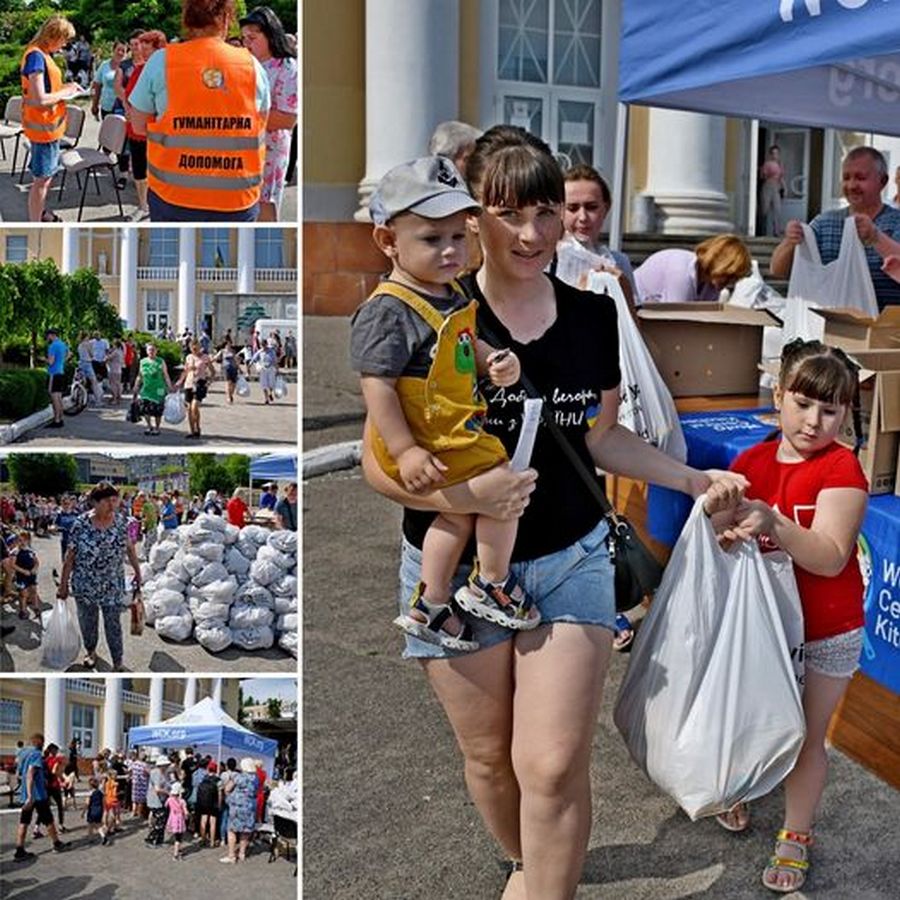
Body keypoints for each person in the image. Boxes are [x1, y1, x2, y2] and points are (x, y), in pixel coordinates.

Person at [360, 125, 744, 899]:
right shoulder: (431, 312)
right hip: (457, 568)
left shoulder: (592, 316)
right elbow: (379, 464)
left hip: (570, 557)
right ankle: (529, 864)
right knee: (490, 759)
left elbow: (601, 436)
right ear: (474, 217)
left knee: (553, 762)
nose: (533, 234)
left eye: (546, 212)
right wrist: (468, 497)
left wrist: (693, 477)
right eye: (509, 214)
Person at [351, 155, 539, 648]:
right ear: (388, 241)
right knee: (506, 490)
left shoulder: (449, 293)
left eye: (459, 236)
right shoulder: (388, 310)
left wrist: (493, 361)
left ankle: (432, 602)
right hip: (424, 438)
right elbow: (378, 387)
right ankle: (490, 582)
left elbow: (461, 344)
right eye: (432, 239)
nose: (451, 250)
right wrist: (406, 450)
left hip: (450, 429)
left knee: (459, 514)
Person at [703, 339, 868, 894]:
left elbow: (829, 555)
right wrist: (723, 534)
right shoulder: (748, 463)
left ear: (846, 413)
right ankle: (743, 784)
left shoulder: (843, 467)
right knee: (751, 715)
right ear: (778, 397)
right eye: (802, 404)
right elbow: (721, 548)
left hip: (828, 628)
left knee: (805, 736)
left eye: (830, 409)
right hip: (761, 627)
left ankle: (796, 834)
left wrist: (772, 523)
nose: (813, 421)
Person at [127, 0, 271, 222]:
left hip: (173, 198)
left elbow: (138, 124)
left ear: (186, 20)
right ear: (225, 19)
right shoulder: (253, 67)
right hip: (237, 199)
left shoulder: (161, 61)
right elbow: (260, 124)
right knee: (237, 256)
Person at [771, 146, 900, 309]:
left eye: (860, 178)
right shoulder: (824, 223)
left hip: (887, 329)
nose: (852, 185)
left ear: (883, 181)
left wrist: (876, 237)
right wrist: (790, 241)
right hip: (836, 328)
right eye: (846, 178)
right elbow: (778, 270)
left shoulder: (896, 222)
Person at [56, 482, 142, 671]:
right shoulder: (80, 524)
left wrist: (138, 570)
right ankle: (91, 651)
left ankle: (118, 660)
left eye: (114, 500)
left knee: (114, 625)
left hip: (112, 585)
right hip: (85, 585)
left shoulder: (121, 522)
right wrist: (63, 585)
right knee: (88, 622)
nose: (112, 505)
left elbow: (129, 548)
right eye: (106, 501)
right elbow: (70, 557)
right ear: (94, 502)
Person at [240, 6, 298, 221]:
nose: (247, 43)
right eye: (244, 38)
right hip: (243, 148)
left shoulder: (287, 67)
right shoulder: (246, 64)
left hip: (270, 149)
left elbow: (288, 118)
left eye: (252, 38)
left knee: (265, 205)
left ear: (270, 34)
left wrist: (243, 115)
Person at [20, 15, 79, 223]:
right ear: (53, 36)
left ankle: (41, 213)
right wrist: (66, 93)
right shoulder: (37, 57)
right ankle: (36, 223)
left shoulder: (40, 54)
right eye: (63, 40)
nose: (64, 45)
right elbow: (40, 98)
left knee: (43, 178)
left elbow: (45, 91)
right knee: (42, 182)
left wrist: (67, 88)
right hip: (44, 130)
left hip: (46, 129)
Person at [561, 163, 637, 305]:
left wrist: (623, 290)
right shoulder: (547, 261)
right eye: (572, 208)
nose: (583, 217)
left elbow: (632, 323)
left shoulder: (619, 262)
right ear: (560, 211)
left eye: (591, 207)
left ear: (606, 208)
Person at [633, 234, 752, 304]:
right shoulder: (681, 271)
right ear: (720, 263)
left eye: (735, 278)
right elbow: (675, 320)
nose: (730, 283)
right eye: (729, 275)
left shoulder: (711, 286)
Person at [13, 733, 69, 861]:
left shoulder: (23, 753)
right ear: (40, 743)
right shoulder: (36, 754)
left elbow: (19, 772)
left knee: (24, 822)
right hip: (37, 795)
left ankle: (19, 850)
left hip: (26, 795)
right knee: (48, 820)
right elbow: (30, 773)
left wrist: (24, 791)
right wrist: (31, 795)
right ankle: (56, 844)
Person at [175, 339, 215, 439]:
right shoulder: (188, 357)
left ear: (199, 347)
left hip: (200, 383)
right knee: (189, 409)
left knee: (194, 407)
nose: (194, 350)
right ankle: (192, 431)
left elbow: (213, 371)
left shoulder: (205, 357)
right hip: (189, 384)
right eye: (192, 348)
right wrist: (180, 381)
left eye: (196, 348)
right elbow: (185, 371)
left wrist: (209, 382)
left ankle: (197, 427)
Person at [220, 758, 258, 864]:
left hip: (237, 806)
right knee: (245, 830)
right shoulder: (255, 779)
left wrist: (230, 797)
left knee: (231, 829)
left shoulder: (238, 777)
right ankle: (242, 853)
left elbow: (227, 788)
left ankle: (231, 855)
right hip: (250, 806)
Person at [133, 343, 175, 436]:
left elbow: (165, 375)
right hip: (146, 389)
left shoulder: (160, 361)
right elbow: (139, 375)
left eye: (153, 350)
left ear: (156, 351)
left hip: (159, 389)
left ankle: (157, 428)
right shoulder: (143, 362)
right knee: (145, 409)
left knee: (157, 410)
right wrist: (136, 386)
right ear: (147, 351)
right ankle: (149, 426)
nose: (151, 352)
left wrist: (170, 387)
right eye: (149, 350)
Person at [759, 145, 787, 237]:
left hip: (776, 187)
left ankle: (776, 231)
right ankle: (760, 229)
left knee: (777, 209)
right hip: (768, 186)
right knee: (765, 209)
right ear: (770, 154)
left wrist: (785, 188)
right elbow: (762, 176)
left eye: (777, 153)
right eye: (773, 153)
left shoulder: (780, 164)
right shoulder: (767, 164)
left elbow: (781, 178)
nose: (775, 155)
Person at [12, 531, 40, 622]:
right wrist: (23, 571)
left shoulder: (31, 550)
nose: (22, 542)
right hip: (21, 576)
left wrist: (35, 568)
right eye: (20, 540)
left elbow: (36, 562)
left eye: (24, 540)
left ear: (28, 541)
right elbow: (13, 565)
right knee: (23, 594)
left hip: (31, 575)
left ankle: (36, 607)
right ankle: (23, 610)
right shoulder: (16, 551)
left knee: (34, 591)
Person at [45, 327, 68, 429]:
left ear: (51, 335)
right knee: (59, 397)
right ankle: (60, 418)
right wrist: (62, 362)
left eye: (48, 335)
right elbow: (69, 354)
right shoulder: (62, 344)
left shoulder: (52, 346)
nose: (47, 338)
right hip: (61, 372)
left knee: (54, 398)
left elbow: (50, 362)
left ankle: (56, 420)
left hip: (54, 373)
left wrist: (43, 359)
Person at [145, 754, 170, 846]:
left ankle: (159, 840)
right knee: (159, 820)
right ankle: (152, 840)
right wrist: (168, 793)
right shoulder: (156, 773)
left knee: (161, 820)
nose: (167, 766)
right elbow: (157, 789)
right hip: (156, 800)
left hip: (161, 799)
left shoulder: (163, 773)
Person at [195, 761, 222, 847]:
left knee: (203, 820)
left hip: (203, 803)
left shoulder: (203, 779)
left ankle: (203, 839)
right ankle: (212, 842)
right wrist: (219, 804)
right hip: (213, 803)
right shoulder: (218, 780)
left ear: (208, 769)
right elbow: (220, 793)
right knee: (213, 822)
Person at [43, 743, 67, 833]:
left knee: (44, 807)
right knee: (60, 806)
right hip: (55, 786)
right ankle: (61, 826)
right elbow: (56, 771)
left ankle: (36, 828)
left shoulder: (45, 760)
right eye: (56, 750)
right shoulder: (56, 759)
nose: (57, 752)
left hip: (46, 786)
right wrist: (62, 779)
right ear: (53, 751)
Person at [249, 338, 280, 404]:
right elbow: (253, 359)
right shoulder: (260, 352)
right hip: (263, 369)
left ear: (266, 344)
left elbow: (275, 361)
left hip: (271, 368)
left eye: (264, 345)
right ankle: (266, 399)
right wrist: (249, 366)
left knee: (271, 384)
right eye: (262, 345)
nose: (263, 347)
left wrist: (277, 369)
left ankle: (270, 393)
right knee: (264, 384)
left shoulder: (271, 351)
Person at [214, 337, 242, 403]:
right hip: (226, 368)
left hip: (234, 368)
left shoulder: (233, 351)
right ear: (225, 344)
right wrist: (209, 362)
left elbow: (236, 360)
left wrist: (239, 368)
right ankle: (228, 396)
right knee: (228, 382)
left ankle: (231, 394)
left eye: (230, 343)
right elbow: (216, 357)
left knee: (234, 384)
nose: (229, 345)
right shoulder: (222, 351)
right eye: (228, 343)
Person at [165, 782, 189, 860]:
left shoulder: (169, 799)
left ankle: (179, 850)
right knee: (179, 838)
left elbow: (166, 805)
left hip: (172, 819)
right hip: (179, 820)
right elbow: (185, 811)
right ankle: (176, 854)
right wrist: (187, 815)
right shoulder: (182, 801)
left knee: (176, 837)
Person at [83, 777, 108, 844]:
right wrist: (104, 810)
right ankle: (103, 836)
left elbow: (87, 804)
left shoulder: (90, 793)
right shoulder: (101, 793)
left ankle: (90, 838)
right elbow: (103, 802)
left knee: (90, 825)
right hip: (99, 810)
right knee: (98, 825)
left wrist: (83, 812)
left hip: (92, 811)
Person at [107, 338, 124, 404]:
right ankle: (118, 397)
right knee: (118, 384)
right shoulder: (120, 351)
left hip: (113, 369)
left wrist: (107, 354)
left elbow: (109, 358)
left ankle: (114, 399)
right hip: (119, 370)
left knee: (113, 384)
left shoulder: (115, 352)